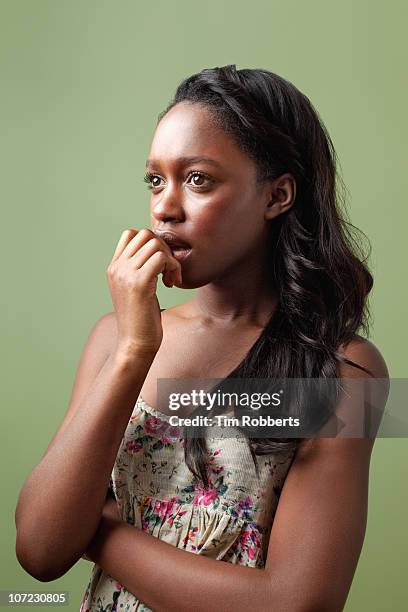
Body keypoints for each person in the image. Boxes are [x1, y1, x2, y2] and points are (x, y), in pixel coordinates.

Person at [15, 65, 389, 612]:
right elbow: (40, 550)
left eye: (197, 179)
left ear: (277, 195)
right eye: (154, 180)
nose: (165, 206)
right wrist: (134, 352)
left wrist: (99, 534)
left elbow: (297, 602)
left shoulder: (341, 371)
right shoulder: (113, 339)